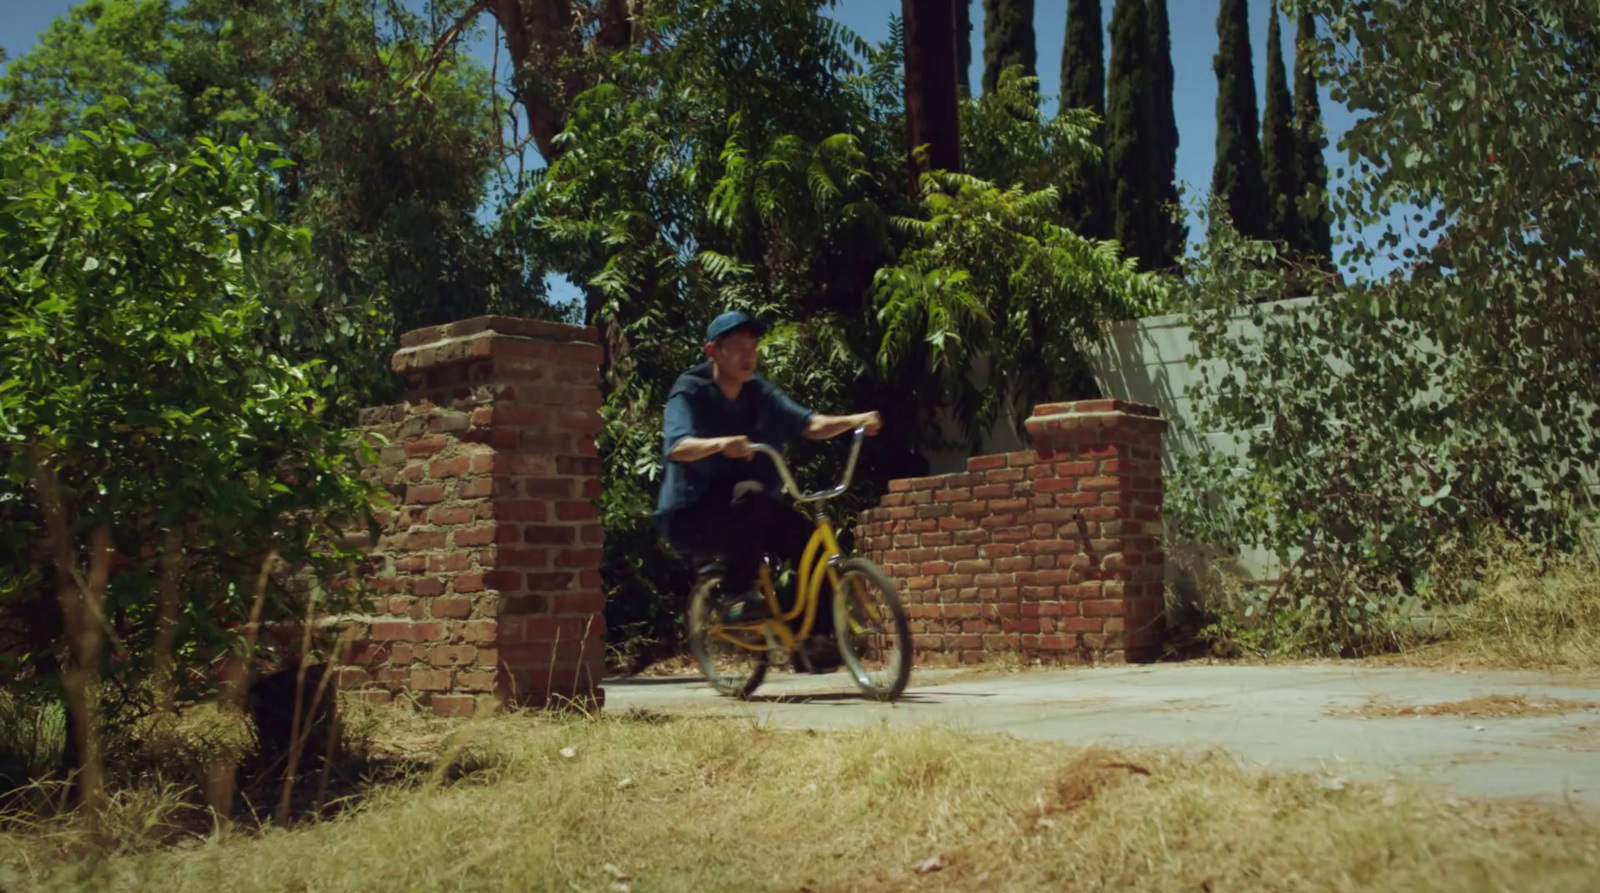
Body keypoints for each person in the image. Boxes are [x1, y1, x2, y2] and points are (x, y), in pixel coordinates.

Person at [655, 311, 881, 636]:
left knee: (813, 545)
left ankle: (814, 642)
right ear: (712, 351)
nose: (748, 355)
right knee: (749, 495)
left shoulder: (759, 391)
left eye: (752, 346)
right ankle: (737, 595)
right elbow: (676, 447)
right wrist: (721, 444)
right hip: (693, 512)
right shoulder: (690, 389)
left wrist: (855, 420)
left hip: (748, 507)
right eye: (737, 346)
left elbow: (810, 424)